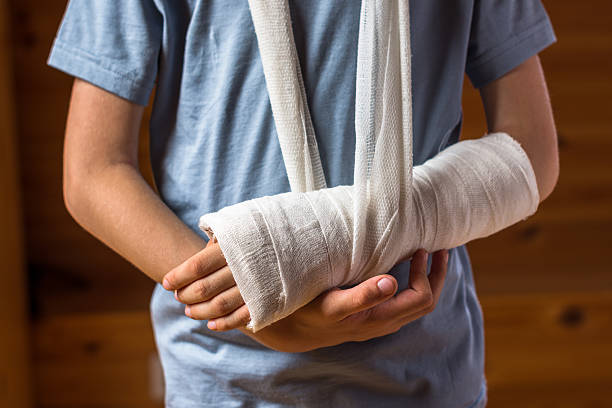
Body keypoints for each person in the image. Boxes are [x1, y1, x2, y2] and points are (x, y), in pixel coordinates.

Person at [48, 0, 559, 406]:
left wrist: (305, 254)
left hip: (426, 375)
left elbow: (532, 153)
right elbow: (93, 172)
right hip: (226, 381)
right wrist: (265, 313)